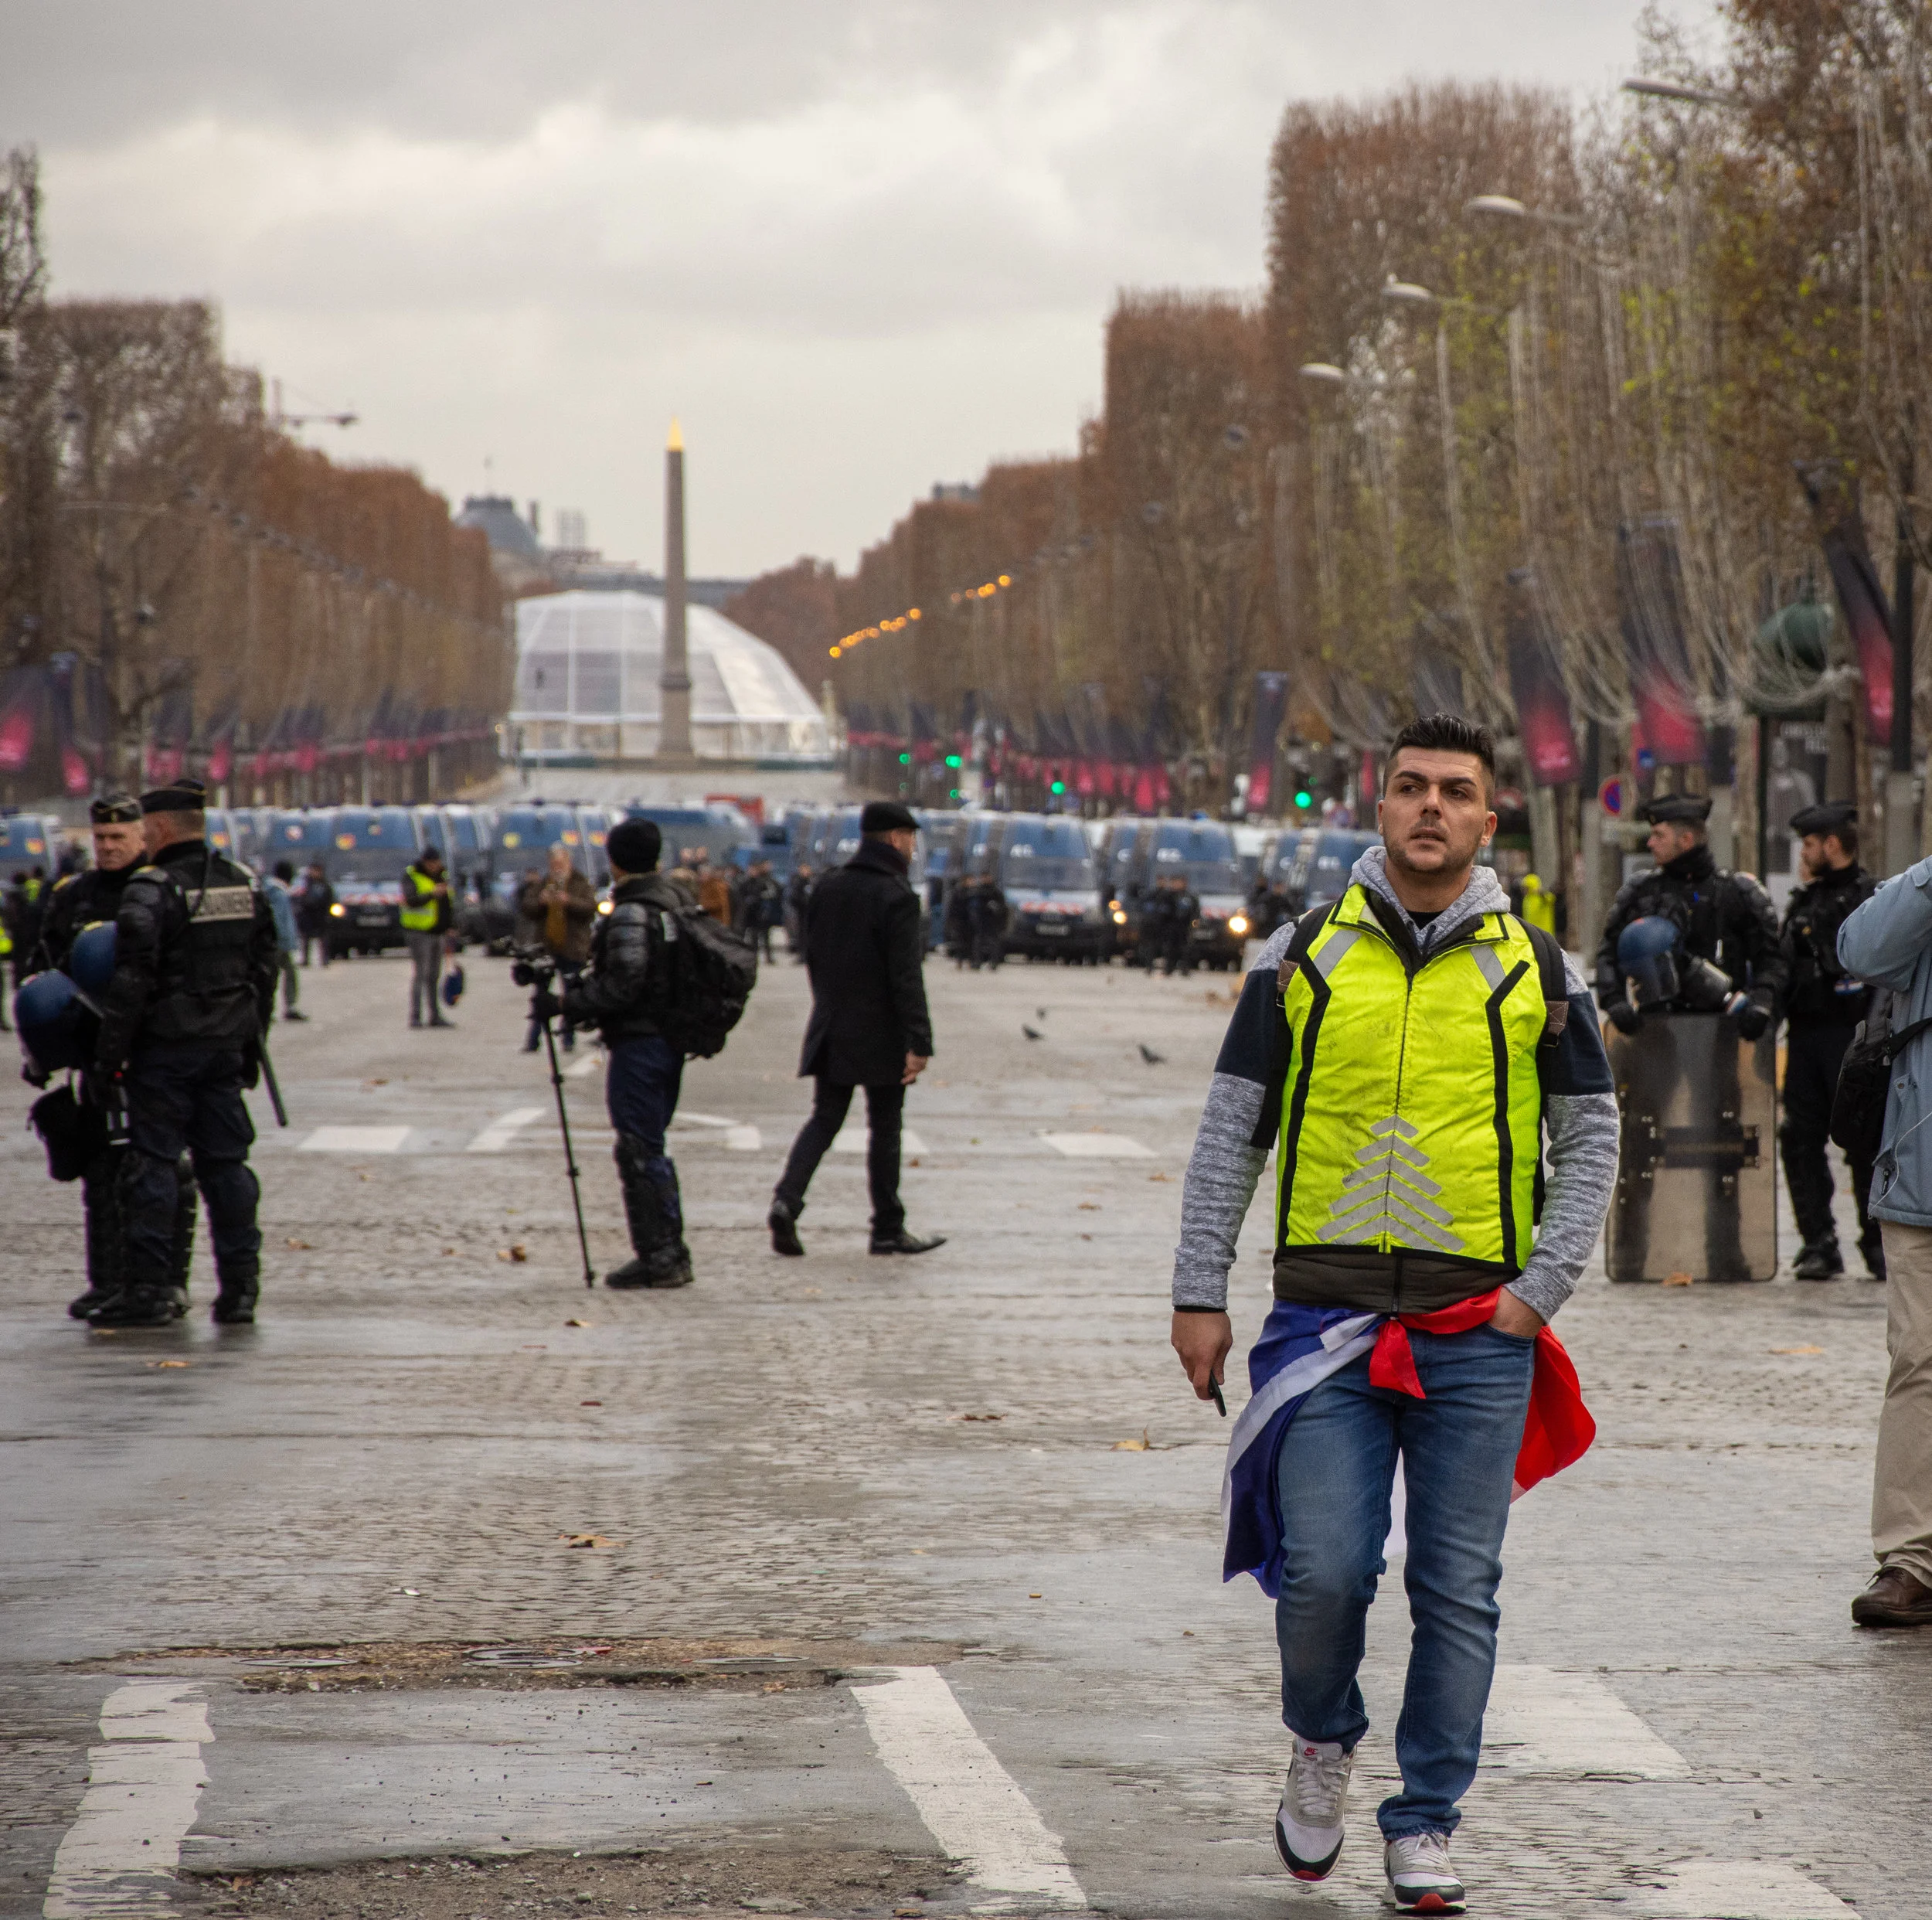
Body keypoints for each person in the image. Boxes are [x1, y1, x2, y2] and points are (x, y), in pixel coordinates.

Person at [1169, 713, 1617, 1912]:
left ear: (1488, 819)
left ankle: (1425, 1822)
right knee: (1325, 1572)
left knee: (1458, 1588)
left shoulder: (1540, 971)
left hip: (1481, 1337)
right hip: (1325, 1329)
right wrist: (1198, 1292)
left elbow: (1592, 1142)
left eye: (1455, 791)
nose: (1431, 807)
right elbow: (1231, 1135)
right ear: (1379, 808)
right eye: (1411, 787)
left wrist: (1538, 1292)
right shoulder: (1300, 956)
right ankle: (1321, 1740)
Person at [91, 778, 279, 1327]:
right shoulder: (241, 882)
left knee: (152, 1167)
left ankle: (151, 1291)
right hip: (224, 1048)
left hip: (165, 1053)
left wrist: (108, 1059)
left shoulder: (151, 889)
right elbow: (265, 972)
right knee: (228, 1169)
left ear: (160, 828)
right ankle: (240, 1291)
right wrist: (252, 1044)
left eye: (146, 830)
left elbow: (132, 982)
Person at [1594, 794, 1784, 1283]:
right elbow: (1608, 953)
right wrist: (1615, 1001)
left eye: (1659, 835)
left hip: (1720, 1034)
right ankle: (1632, 1253)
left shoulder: (1736, 894)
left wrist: (1761, 1005)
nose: (1650, 843)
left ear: (1685, 838)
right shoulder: (1640, 892)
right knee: (1640, 1142)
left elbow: (1771, 958)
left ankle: (1727, 1255)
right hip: (1653, 1035)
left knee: (1725, 1145)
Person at [27, 793, 199, 1319]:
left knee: (164, 1167)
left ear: (142, 837)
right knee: (100, 1170)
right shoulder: (74, 896)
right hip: (95, 1051)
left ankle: (166, 1281)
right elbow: (44, 969)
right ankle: (107, 1282)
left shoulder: (163, 890)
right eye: (100, 838)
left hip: (155, 1049)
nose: (107, 847)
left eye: (118, 838)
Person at [769, 800, 944, 1259]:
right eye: (910, 838)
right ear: (895, 838)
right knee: (885, 1127)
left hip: (832, 1022)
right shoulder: (897, 895)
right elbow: (905, 976)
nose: (912, 848)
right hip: (881, 1030)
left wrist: (828, 1005)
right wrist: (919, 1041)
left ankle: (786, 1201)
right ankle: (887, 1227)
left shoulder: (828, 887)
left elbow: (812, 955)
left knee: (824, 1119)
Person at [1835, 852, 1932, 1627]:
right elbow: (1860, 950)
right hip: (1922, 1180)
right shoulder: (1922, 896)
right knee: (1919, 1365)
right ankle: (1911, 1558)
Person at [556, 818, 694, 1289]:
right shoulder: (675, 900)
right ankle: (669, 1250)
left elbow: (625, 984)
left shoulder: (634, 911)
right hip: (669, 1039)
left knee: (638, 1149)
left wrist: (569, 1003)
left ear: (615, 862)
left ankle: (660, 1256)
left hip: (640, 1042)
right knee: (650, 1146)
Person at [1779, 803, 1880, 1282]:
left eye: (1809, 844)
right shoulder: (1804, 901)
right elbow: (1781, 966)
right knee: (1799, 1140)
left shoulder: (1873, 898)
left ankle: (1877, 1242)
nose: (1804, 853)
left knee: (1866, 1142)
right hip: (1805, 1038)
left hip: (1855, 1038)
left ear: (1833, 845)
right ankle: (1818, 1243)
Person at [516, 846, 595, 1051]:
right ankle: (533, 1040)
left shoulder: (580, 883)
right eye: (554, 864)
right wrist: (541, 901)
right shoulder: (544, 883)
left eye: (561, 864)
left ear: (568, 862)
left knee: (570, 995)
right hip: (547, 948)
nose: (557, 868)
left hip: (572, 948)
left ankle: (568, 1038)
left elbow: (590, 908)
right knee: (540, 995)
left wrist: (569, 901)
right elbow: (527, 907)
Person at [400, 845, 455, 1030]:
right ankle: (415, 1016)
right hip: (419, 933)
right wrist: (432, 894)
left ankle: (435, 1016)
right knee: (421, 975)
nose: (434, 866)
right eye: (431, 863)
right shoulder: (412, 876)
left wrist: (451, 926)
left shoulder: (442, 876)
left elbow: (447, 904)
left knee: (434, 976)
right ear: (424, 862)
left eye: (436, 862)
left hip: (438, 933)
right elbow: (410, 900)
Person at [264, 860, 308, 1023]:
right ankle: (288, 1007)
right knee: (285, 974)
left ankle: (270, 1009)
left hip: (274, 942)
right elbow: (278, 920)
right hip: (279, 943)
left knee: (273, 975)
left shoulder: (269, 890)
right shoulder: (279, 894)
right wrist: (283, 940)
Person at [294, 859, 335, 967]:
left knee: (324, 938)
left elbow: (329, 899)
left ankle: (325, 959)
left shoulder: (325, 885)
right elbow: (301, 898)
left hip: (321, 914)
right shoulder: (307, 884)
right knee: (306, 938)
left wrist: (328, 913)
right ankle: (305, 959)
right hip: (308, 915)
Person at [784, 862, 815, 959]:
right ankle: (802, 954)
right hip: (801, 912)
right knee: (801, 934)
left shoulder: (812, 881)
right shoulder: (798, 883)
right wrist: (803, 904)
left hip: (811, 913)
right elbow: (793, 898)